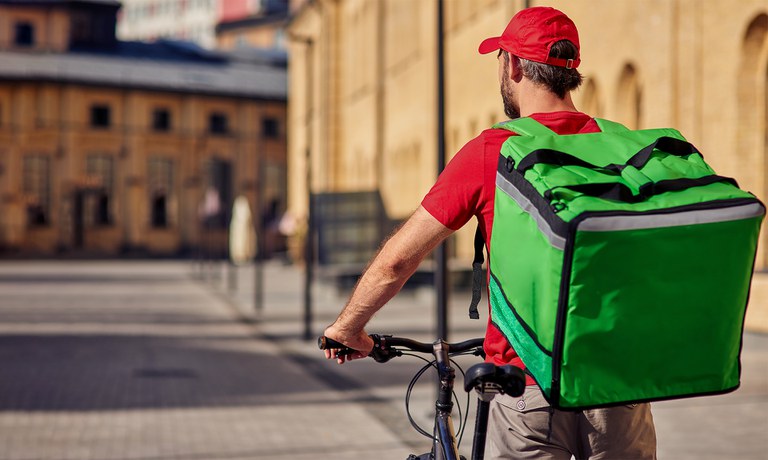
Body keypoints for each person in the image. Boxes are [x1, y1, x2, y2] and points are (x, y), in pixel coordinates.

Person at [322, 6, 657, 459]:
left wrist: (348, 327)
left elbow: (399, 259)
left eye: (500, 58)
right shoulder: (620, 146)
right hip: (618, 383)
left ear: (514, 65)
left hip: (529, 388)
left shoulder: (493, 151)